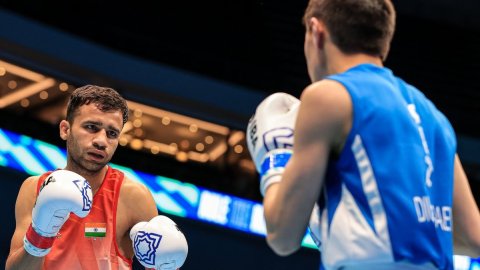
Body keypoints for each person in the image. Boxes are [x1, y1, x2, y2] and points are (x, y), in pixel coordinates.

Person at [246, 0, 480, 269]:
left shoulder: (328, 96)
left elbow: (282, 237)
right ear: (384, 42)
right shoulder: (435, 118)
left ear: (315, 30)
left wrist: (275, 161)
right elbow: (472, 237)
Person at [5, 85, 188, 270]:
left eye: (112, 133)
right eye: (91, 127)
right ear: (65, 130)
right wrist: (40, 235)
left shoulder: (133, 197)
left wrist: (169, 265)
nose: (101, 141)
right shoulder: (34, 188)